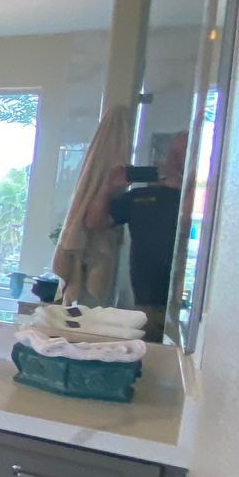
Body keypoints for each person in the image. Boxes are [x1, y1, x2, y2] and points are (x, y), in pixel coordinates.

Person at [83, 131, 188, 341]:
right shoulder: (141, 196)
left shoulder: (207, 196)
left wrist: (181, 186)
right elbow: (94, 222)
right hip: (147, 303)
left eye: (181, 153)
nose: (173, 160)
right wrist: (108, 187)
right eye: (172, 153)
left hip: (186, 307)